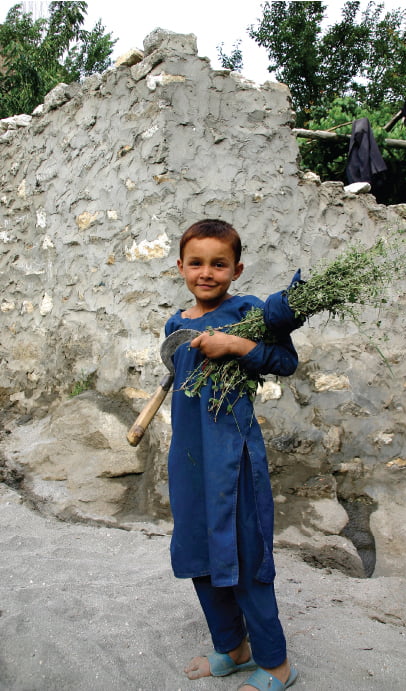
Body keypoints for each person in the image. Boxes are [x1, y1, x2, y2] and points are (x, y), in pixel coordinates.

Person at [164, 218, 299, 691]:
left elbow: (285, 361)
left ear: (236, 269)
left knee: (244, 554)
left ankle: (277, 664)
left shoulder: (249, 312)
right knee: (198, 552)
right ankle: (233, 647)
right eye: (196, 263)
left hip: (233, 455)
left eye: (219, 264)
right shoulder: (176, 323)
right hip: (189, 457)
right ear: (180, 266)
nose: (207, 272)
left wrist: (237, 344)